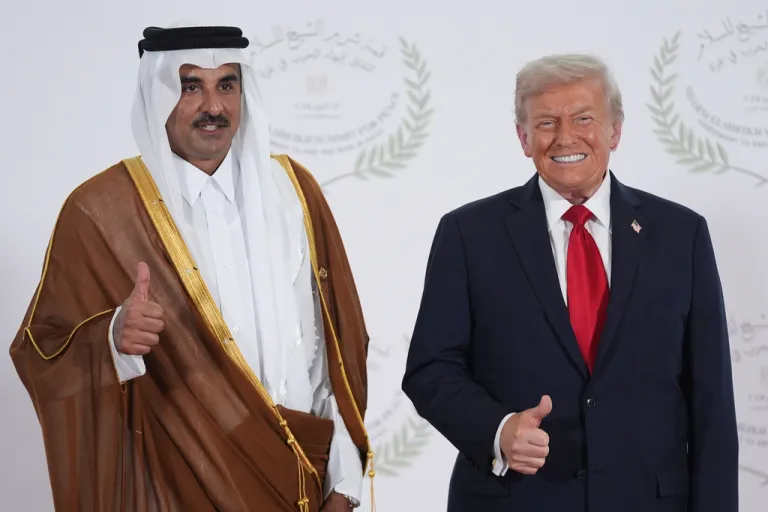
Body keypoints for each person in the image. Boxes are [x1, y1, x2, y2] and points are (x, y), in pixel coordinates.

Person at [10, 25, 374, 512]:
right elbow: (41, 350)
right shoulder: (101, 211)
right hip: (173, 486)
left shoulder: (294, 193)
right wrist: (112, 339)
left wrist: (345, 485)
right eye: (190, 86)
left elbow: (334, 350)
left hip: (301, 483)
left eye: (227, 84)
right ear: (158, 95)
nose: (213, 106)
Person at [402, 53, 738, 511]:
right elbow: (430, 370)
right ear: (523, 138)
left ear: (615, 131)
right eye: (546, 123)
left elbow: (711, 398)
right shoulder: (468, 234)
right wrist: (497, 430)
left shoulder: (682, 235)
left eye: (583, 118)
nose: (565, 137)